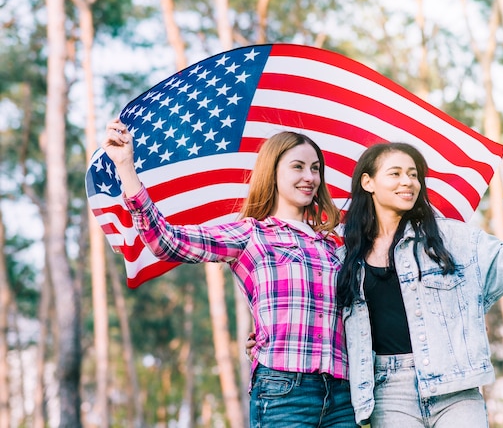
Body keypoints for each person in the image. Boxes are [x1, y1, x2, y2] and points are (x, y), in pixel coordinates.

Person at [102, 118, 357, 428]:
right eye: (298, 167)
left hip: (343, 395)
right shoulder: (250, 234)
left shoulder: (334, 245)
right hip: (284, 391)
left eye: (316, 168)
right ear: (273, 173)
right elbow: (165, 242)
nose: (310, 177)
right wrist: (126, 167)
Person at [336, 142, 503, 427]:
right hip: (389, 392)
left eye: (413, 174)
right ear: (368, 182)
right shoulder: (345, 258)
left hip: (456, 386)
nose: (407, 182)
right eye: (395, 174)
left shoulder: (450, 238)